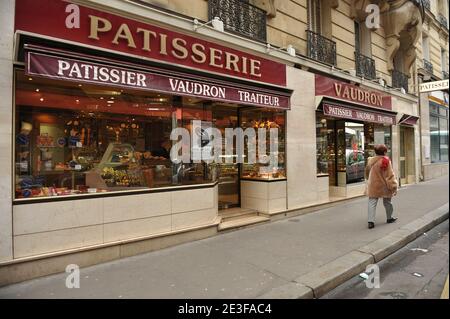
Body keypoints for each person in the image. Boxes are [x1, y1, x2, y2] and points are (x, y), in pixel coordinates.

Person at [364, 144, 398, 229]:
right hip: (384, 186)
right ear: (384, 152)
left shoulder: (370, 161)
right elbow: (390, 175)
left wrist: (368, 180)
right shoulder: (385, 161)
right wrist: (394, 186)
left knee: (372, 203)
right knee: (387, 203)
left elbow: (367, 172)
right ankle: (389, 218)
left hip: (373, 185)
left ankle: (370, 222)